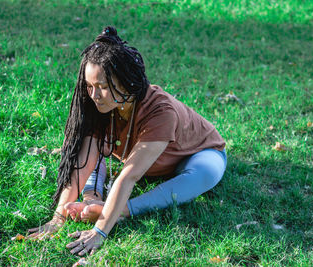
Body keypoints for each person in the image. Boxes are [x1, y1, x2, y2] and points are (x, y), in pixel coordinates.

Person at [27, 26, 227, 256]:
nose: (94, 95)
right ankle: (94, 197)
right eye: (89, 86)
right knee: (91, 150)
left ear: (125, 82)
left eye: (102, 87)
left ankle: (121, 209)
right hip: (149, 162)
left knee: (205, 173)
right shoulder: (98, 107)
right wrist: (58, 218)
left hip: (195, 155)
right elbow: (81, 165)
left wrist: (100, 230)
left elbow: (129, 175)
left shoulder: (160, 112)